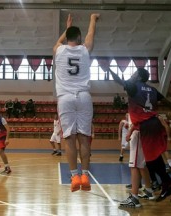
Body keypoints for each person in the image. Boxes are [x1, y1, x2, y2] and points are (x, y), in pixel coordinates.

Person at [109, 67, 171, 203]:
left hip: (147, 126)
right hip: (153, 124)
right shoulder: (152, 90)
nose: (132, 75)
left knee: (151, 160)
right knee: (150, 160)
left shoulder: (134, 87)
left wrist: (108, 70)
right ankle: (165, 186)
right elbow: (167, 103)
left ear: (139, 77)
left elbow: (119, 80)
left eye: (134, 73)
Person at [53, 13, 100, 192]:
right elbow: (91, 35)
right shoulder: (84, 49)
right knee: (84, 138)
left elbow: (58, 42)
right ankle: (85, 175)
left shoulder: (59, 50)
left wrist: (66, 28)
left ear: (67, 37)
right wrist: (92, 19)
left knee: (69, 139)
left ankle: (74, 177)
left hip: (65, 98)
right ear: (79, 38)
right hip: (84, 97)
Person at [120, 120, 155, 208]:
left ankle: (134, 198)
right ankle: (148, 190)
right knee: (141, 165)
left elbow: (138, 120)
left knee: (134, 165)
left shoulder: (136, 106)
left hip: (138, 133)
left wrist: (130, 131)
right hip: (142, 132)